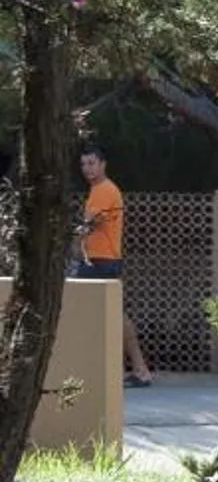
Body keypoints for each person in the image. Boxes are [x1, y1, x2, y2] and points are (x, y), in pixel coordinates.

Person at [72, 146, 153, 386]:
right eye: (84, 164)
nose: (87, 168)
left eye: (92, 163)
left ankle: (106, 370)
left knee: (79, 310)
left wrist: (71, 244)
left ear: (103, 164)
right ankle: (139, 370)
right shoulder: (101, 189)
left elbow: (87, 227)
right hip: (104, 260)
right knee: (115, 315)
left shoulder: (103, 191)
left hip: (101, 262)